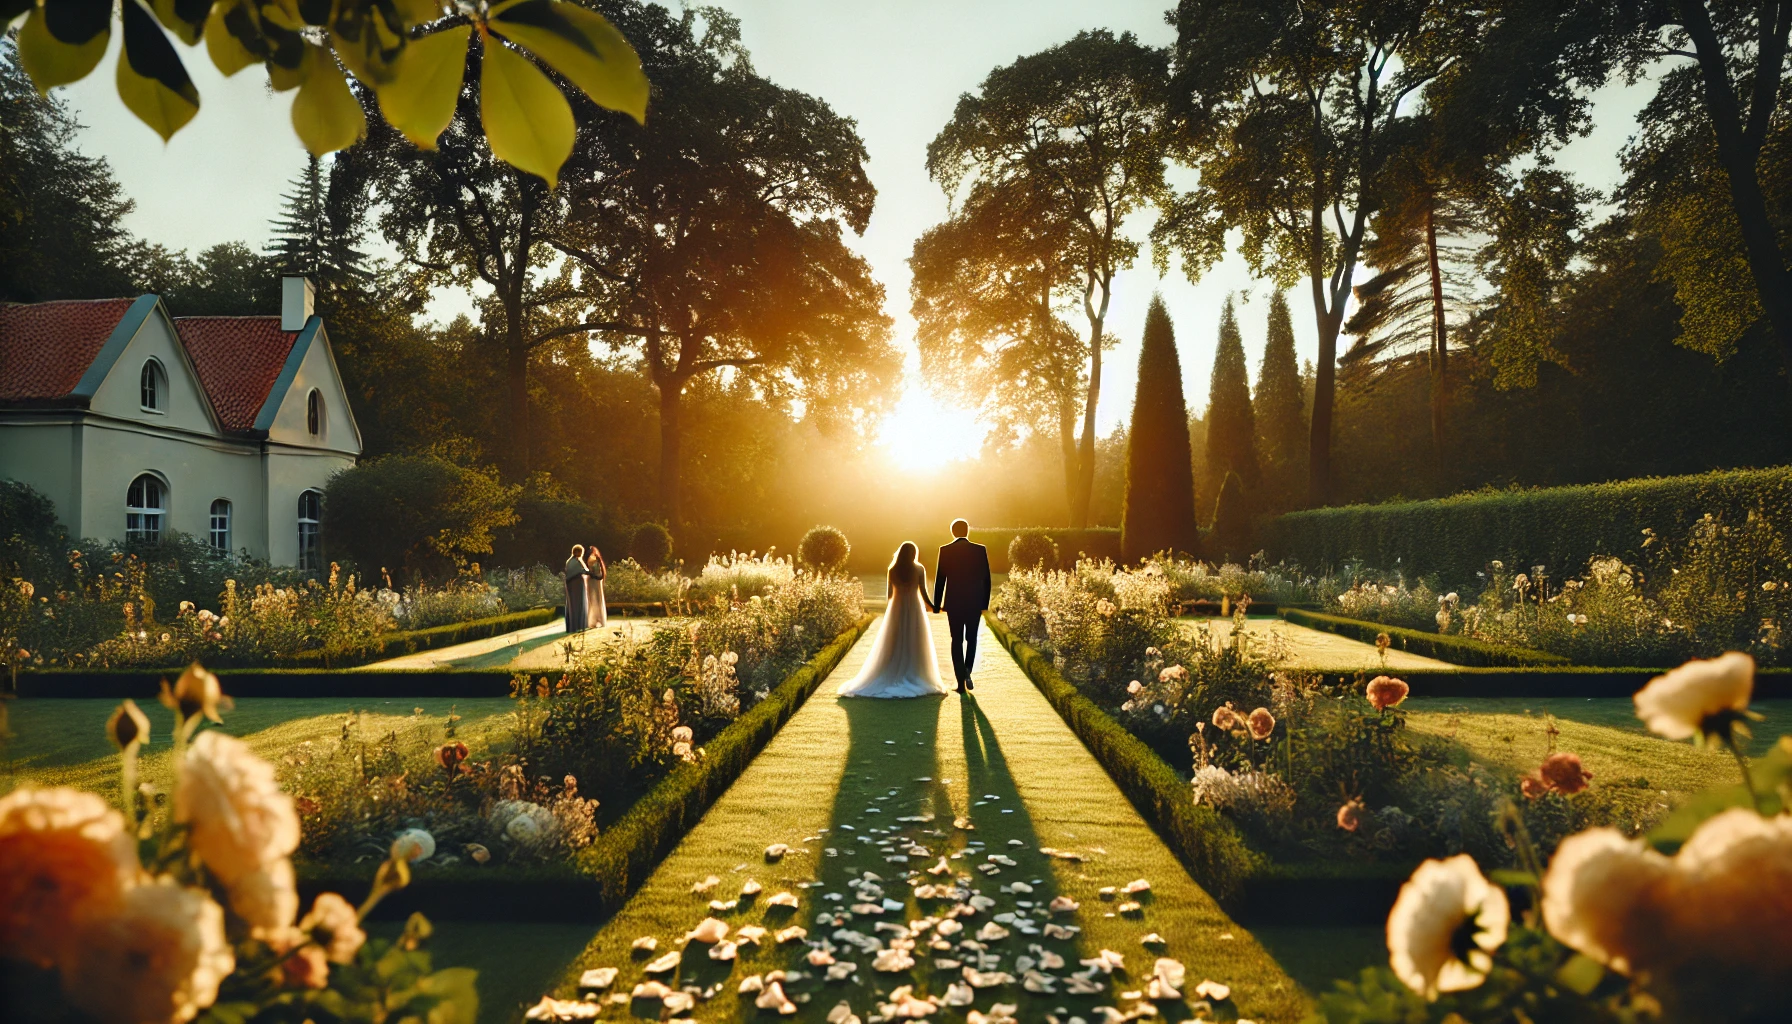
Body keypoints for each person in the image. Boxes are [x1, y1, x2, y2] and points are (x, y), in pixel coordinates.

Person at [836, 542, 949, 699]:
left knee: (894, 641)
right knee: (914, 641)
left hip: (896, 609)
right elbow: (923, 595)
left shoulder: (892, 570)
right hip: (914, 609)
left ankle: (891, 671)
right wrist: (937, 608)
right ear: (913, 554)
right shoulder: (918, 569)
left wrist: (897, 605)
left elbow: (889, 596)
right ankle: (914, 672)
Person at [932, 518, 992, 694]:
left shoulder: (945, 550)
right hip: (974, 602)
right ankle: (967, 671)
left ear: (953, 532)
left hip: (954, 603)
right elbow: (986, 579)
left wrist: (937, 605)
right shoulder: (979, 550)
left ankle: (960, 683)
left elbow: (940, 580)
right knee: (972, 639)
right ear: (967, 531)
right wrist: (984, 603)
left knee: (956, 640)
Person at [564, 544, 590, 633]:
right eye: (580, 552)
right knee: (577, 603)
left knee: (576, 603)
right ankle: (577, 624)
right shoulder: (574, 562)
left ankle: (577, 624)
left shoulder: (571, 561)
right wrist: (591, 573)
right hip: (576, 584)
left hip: (575, 584)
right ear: (576, 552)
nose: (581, 554)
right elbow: (581, 571)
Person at [586, 545, 608, 627]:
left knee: (595, 599)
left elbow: (593, 571)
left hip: (595, 580)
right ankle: (596, 619)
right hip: (595, 580)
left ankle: (596, 619)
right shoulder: (597, 559)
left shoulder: (594, 559)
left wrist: (597, 576)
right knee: (595, 598)